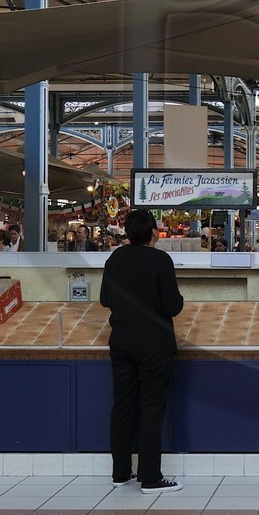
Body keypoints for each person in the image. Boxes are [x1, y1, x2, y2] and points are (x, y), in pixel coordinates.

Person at [98, 208, 184, 494]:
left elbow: (105, 299)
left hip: (122, 343)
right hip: (154, 346)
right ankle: (150, 477)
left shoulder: (115, 258)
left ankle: (121, 472)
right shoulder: (161, 260)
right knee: (151, 408)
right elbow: (173, 306)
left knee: (122, 407)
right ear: (153, 233)